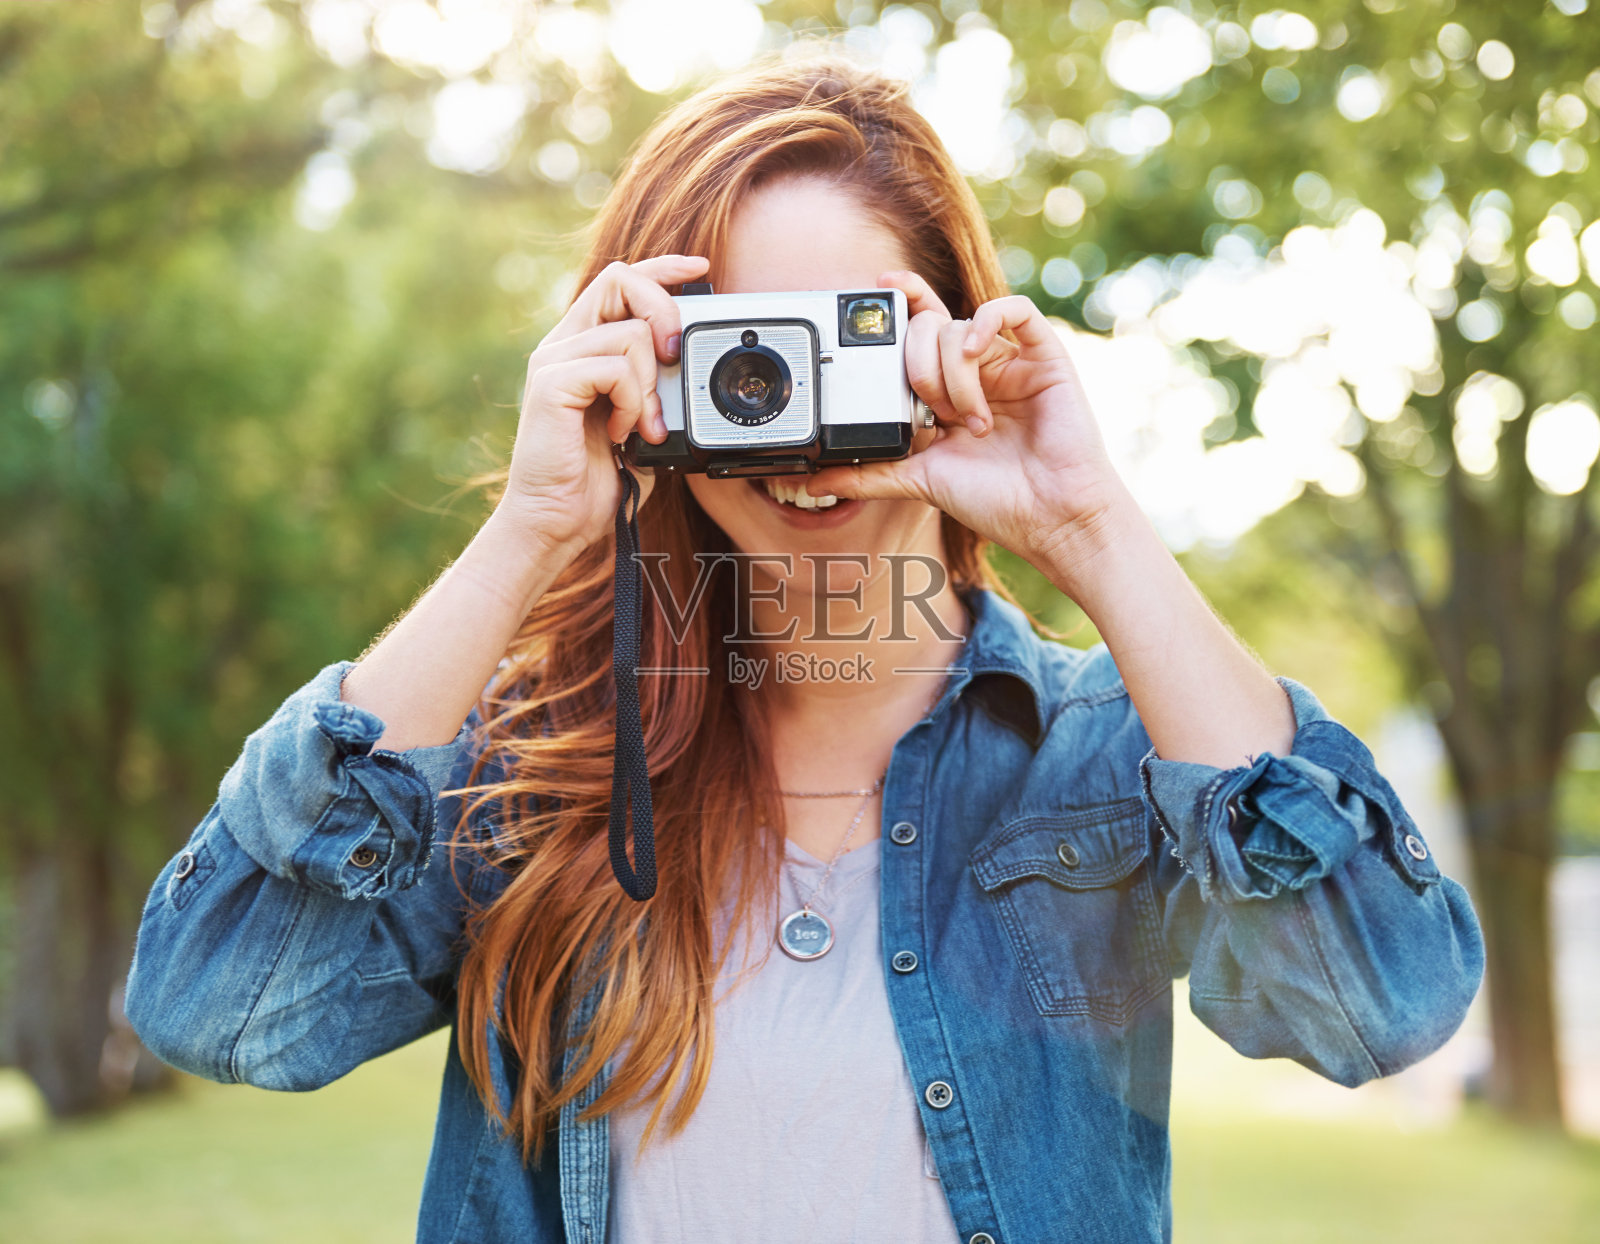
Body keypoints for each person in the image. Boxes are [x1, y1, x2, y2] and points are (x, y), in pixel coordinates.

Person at [125, 55, 1484, 1244]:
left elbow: (1381, 1001)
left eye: (853, 349)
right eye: (742, 360)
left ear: (958, 342)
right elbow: (215, 1002)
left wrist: (1089, 523)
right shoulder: (530, 774)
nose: (801, 431)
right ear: (637, 374)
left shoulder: (1111, 761)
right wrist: (530, 530)